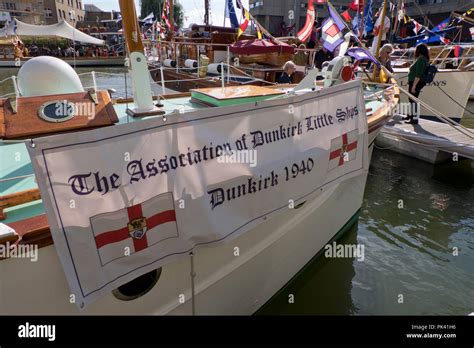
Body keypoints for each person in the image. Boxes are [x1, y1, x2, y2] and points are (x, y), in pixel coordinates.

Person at [406, 43, 430, 125]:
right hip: (415, 82)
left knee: (413, 100)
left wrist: (414, 86)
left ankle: (414, 119)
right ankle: (411, 115)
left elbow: (418, 74)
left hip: (416, 82)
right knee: (411, 99)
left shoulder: (421, 59)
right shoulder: (423, 59)